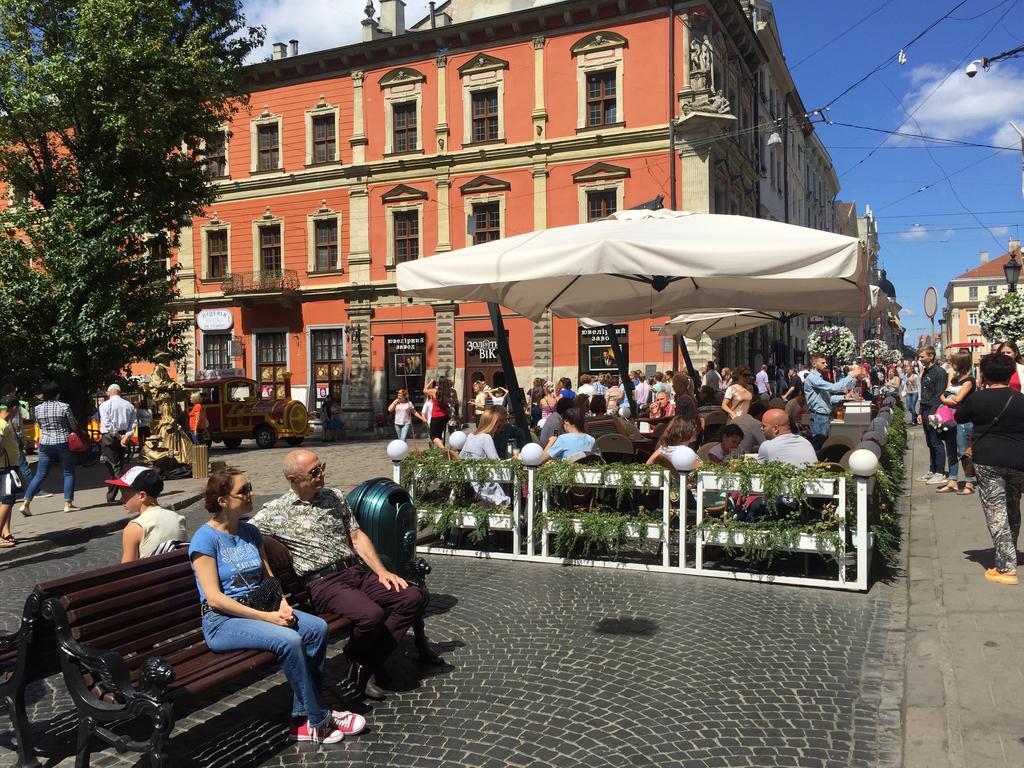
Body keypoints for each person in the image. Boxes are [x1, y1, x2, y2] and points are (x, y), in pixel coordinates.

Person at [191, 468, 365, 743]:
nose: (251, 494)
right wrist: (269, 617)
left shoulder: (249, 531)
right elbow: (214, 598)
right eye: (243, 491)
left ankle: (302, 719)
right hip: (222, 621)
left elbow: (267, 576)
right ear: (223, 501)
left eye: (250, 487)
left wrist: (282, 605)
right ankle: (319, 719)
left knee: (316, 628)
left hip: (260, 610)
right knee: (289, 640)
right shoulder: (205, 539)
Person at [251, 450, 431, 701]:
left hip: (356, 571)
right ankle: (365, 661)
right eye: (313, 472)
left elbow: (356, 536)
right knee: (371, 616)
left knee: (411, 596)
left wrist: (381, 571)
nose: (321, 474)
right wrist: (269, 542)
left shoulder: (334, 497)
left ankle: (364, 663)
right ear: (293, 479)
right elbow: (243, 532)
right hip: (324, 582)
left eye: (321, 467)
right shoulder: (276, 511)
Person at [954, 353, 1024, 585]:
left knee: (996, 509)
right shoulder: (1020, 399)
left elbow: (959, 415)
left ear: (983, 374)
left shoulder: (978, 399)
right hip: (1018, 460)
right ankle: (1009, 551)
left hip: (988, 460)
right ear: (1011, 374)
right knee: (1012, 507)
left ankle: (1006, 567)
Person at [19, 381, 79, 516]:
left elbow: (39, 425)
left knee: (40, 474)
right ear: (57, 394)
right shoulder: (64, 406)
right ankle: (67, 503)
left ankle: (25, 503)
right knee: (68, 472)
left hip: (45, 442)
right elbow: (73, 425)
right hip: (62, 441)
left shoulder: (37, 408)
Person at [109, 466, 186, 562]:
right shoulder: (178, 518)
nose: (121, 499)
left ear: (142, 496)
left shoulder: (134, 527)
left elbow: (126, 570)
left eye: (124, 495)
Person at [803, 355, 866, 451]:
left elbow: (828, 398)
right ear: (814, 364)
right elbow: (835, 388)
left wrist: (845, 397)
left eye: (826, 362)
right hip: (819, 416)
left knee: (823, 445)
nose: (826, 364)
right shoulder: (812, 378)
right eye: (823, 363)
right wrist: (851, 375)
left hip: (823, 416)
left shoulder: (818, 378)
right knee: (819, 445)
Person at [936, 350, 976, 495]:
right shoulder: (954, 379)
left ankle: (969, 482)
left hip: (964, 421)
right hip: (950, 420)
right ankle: (952, 481)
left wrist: (946, 398)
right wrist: (947, 398)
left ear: (961, 363)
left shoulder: (969, 381)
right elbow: (944, 394)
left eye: (953, 362)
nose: (951, 364)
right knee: (951, 451)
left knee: (964, 452)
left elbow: (958, 399)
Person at [457, 410, 511, 506]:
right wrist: (514, 459)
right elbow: (496, 463)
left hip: (473, 481)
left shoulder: (470, 435)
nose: (499, 428)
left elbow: (461, 457)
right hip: (485, 484)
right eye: (498, 424)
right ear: (492, 424)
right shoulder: (486, 438)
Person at [99, 384, 137, 504]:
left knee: (114, 467)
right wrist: (126, 435)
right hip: (123, 436)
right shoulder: (129, 405)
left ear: (110, 392)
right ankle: (111, 496)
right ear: (120, 392)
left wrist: (118, 435)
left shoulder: (105, 405)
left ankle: (129, 493)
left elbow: (107, 423)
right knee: (117, 466)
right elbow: (133, 423)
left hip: (110, 437)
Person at [918, 346, 950, 485]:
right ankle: (932, 469)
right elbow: (923, 394)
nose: (920, 359)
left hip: (935, 411)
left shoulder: (940, 372)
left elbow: (939, 394)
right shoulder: (925, 371)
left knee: (936, 440)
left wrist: (932, 413)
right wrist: (920, 412)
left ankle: (940, 472)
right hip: (925, 409)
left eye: (922, 357)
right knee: (930, 442)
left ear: (930, 356)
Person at [0, 403, 21, 548]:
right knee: (8, 499)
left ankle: (5, 531)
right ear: (14, 408)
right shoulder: (2, 423)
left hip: (8, 466)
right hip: (4, 467)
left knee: (6, 500)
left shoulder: (5, 422)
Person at [423, 377, 458, 450]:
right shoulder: (449, 393)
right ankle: (440, 452)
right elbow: (453, 402)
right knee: (438, 435)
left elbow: (424, 390)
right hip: (445, 416)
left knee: (433, 436)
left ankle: (444, 449)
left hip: (436, 416)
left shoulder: (435, 391)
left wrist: (431, 382)